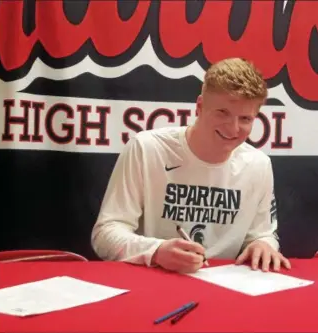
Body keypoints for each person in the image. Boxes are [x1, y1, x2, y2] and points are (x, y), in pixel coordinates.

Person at [91, 57, 291, 274]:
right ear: (200, 106)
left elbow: (263, 234)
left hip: (227, 287)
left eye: (245, 119)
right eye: (222, 113)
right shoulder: (146, 148)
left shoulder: (258, 164)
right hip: (155, 279)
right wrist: (157, 251)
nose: (233, 129)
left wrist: (263, 246)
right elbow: (105, 234)